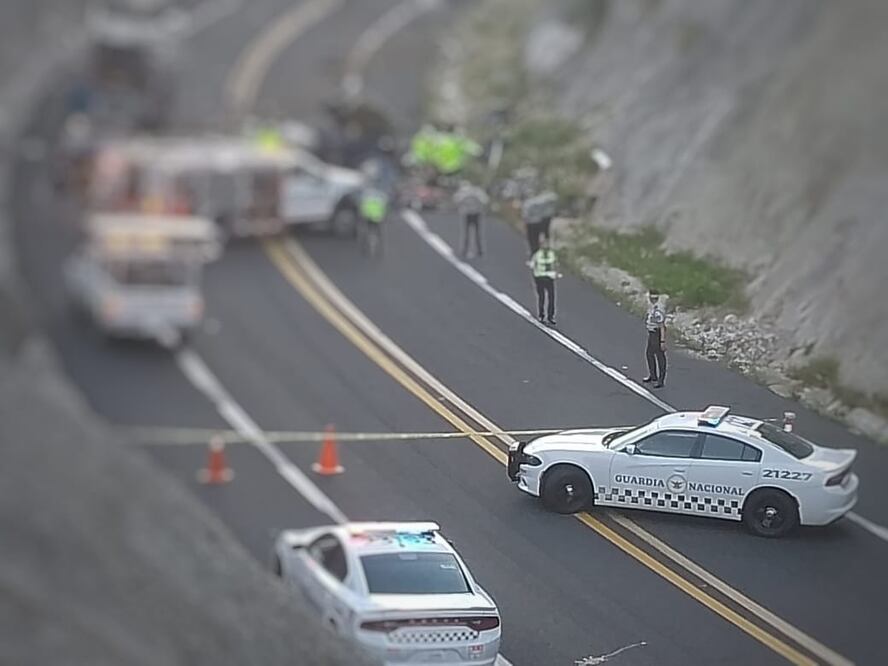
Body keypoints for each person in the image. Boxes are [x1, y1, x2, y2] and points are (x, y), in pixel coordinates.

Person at [454, 181, 489, 258]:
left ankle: (476, 250)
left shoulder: (476, 192)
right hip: (470, 213)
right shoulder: (471, 192)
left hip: (473, 213)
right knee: (469, 233)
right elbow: (457, 199)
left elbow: (484, 200)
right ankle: (468, 250)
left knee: (474, 233)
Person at [530, 237, 559, 325]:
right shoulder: (537, 255)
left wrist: (556, 274)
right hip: (540, 278)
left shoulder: (551, 254)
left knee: (551, 298)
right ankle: (541, 315)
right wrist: (535, 276)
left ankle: (550, 317)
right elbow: (533, 265)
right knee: (542, 297)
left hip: (549, 278)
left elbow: (555, 264)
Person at [643, 289, 667, 388]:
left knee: (659, 356)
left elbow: (662, 326)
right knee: (649, 354)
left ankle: (660, 380)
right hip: (651, 332)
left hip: (656, 334)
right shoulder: (652, 307)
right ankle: (653, 376)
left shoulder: (658, 310)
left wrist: (662, 341)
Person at [359, 186, 388, 254]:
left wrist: (362, 216)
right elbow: (384, 209)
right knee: (379, 234)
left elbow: (362, 209)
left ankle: (364, 247)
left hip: (368, 218)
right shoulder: (381, 199)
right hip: (378, 218)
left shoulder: (366, 198)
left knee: (366, 232)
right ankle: (380, 248)